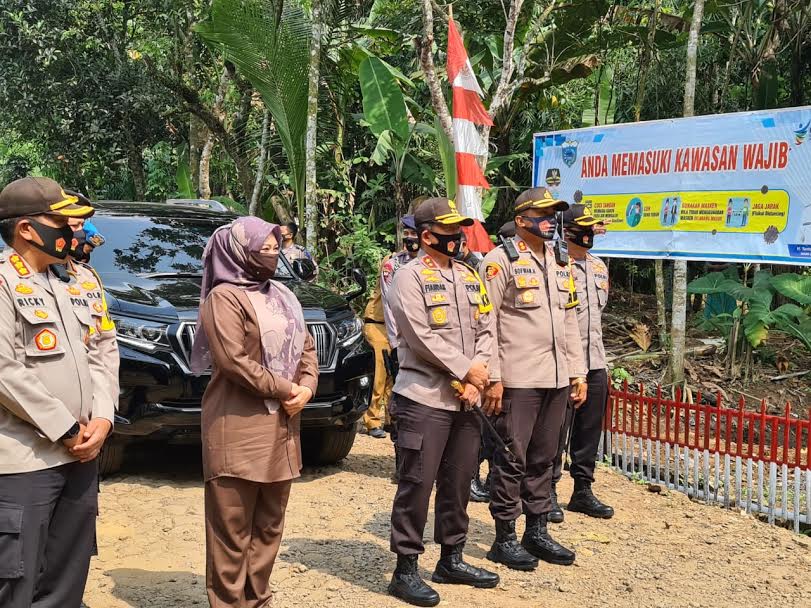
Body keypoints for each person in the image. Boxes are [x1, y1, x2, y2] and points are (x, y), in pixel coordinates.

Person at [191, 217, 319, 608]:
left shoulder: (281, 293)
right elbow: (234, 361)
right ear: (237, 252)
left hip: (282, 427)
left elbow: (306, 346)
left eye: (275, 247)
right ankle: (229, 603)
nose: (273, 253)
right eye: (263, 248)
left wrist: (308, 388)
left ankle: (257, 598)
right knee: (231, 530)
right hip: (238, 427)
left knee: (269, 526)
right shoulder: (224, 298)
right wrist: (287, 390)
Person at [0, 176, 114, 608]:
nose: (74, 232)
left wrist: (102, 418)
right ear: (27, 228)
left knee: (67, 580)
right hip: (24, 460)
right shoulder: (4, 282)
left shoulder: (82, 280)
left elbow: (104, 350)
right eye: (62, 223)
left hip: (82, 454)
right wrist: (65, 428)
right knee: (17, 582)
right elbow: (4, 369)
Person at [387, 197, 499, 607]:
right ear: (427, 235)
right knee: (417, 483)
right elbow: (419, 336)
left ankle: (451, 558)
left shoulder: (470, 275)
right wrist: (465, 370)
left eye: (460, 231)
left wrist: (478, 376)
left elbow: (488, 328)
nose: (458, 238)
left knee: (458, 481)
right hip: (424, 398)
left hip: (466, 400)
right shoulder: (408, 277)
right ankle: (405, 569)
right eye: (449, 232)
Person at [481, 187, 587, 572]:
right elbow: (486, 323)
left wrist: (577, 371)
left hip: (557, 377)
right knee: (511, 456)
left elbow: (570, 320)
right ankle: (504, 536)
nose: (551, 221)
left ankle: (537, 530)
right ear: (522, 220)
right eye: (543, 214)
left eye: (554, 214)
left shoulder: (561, 260)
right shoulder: (499, 261)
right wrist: (492, 376)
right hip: (518, 378)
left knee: (545, 457)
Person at [550, 204, 614, 524]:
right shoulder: (554, 264)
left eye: (592, 228)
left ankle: (582, 489)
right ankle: (547, 489)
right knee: (555, 429)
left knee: (589, 427)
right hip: (560, 361)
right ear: (568, 231)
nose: (591, 233)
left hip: (595, 358)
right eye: (584, 228)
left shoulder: (600, 267)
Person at [361, 215, 419, 439]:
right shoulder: (391, 264)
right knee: (380, 374)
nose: (410, 238)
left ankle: (391, 418)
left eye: (414, 233)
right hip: (381, 325)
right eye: (408, 233)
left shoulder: (423, 264)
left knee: (396, 376)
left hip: (404, 329)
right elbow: (388, 304)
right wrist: (396, 340)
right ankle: (371, 419)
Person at [470, 221, 515, 504]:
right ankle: (472, 477)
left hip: (520, 370)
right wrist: (491, 373)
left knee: (502, 438)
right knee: (483, 431)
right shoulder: (492, 266)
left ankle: (491, 480)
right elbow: (487, 323)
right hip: (489, 368)